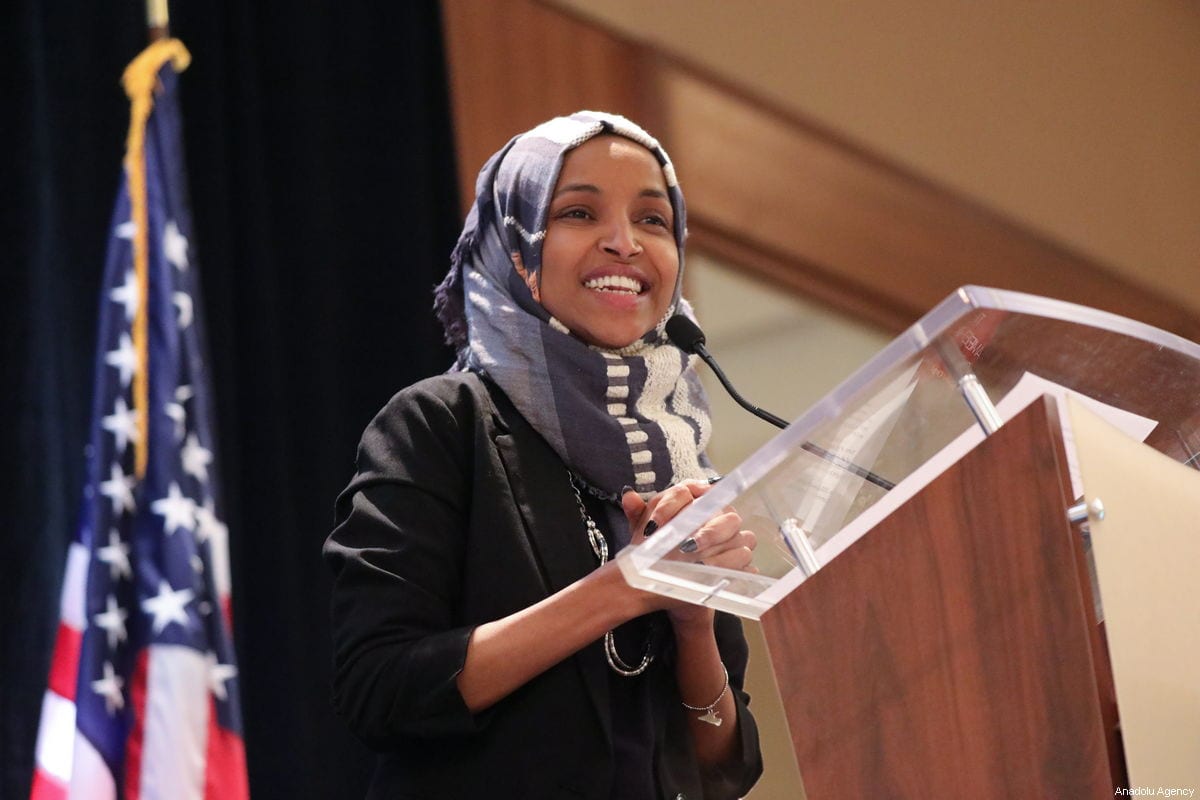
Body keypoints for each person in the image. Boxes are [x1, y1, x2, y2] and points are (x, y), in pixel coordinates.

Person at [323, 111, 763, 799]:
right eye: (580, 212)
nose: (625, 243)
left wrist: (693, 624)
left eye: (653, 220)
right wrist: (622, 590)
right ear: (519, 252)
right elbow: (383, 689)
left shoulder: (678, 453)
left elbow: (720, 767)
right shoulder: (442, 423)